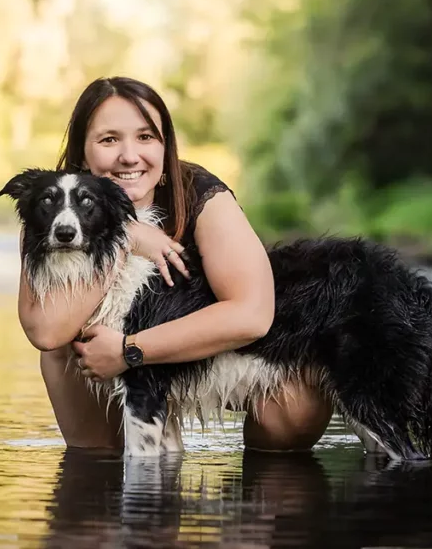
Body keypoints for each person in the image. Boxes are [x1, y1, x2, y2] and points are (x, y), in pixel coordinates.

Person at [17, 76, 333, 451]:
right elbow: (47, 334)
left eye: (145, 137)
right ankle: (97, 466)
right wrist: (127, 238)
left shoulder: (201, 195)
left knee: (289, 423)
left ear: (165, 147)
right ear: (83, 154)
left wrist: (130, 351)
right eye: (109, 140)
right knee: (94, 447)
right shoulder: (53, 213)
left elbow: (252, 315)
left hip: (222, 361)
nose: (129, 156)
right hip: (105, 363)